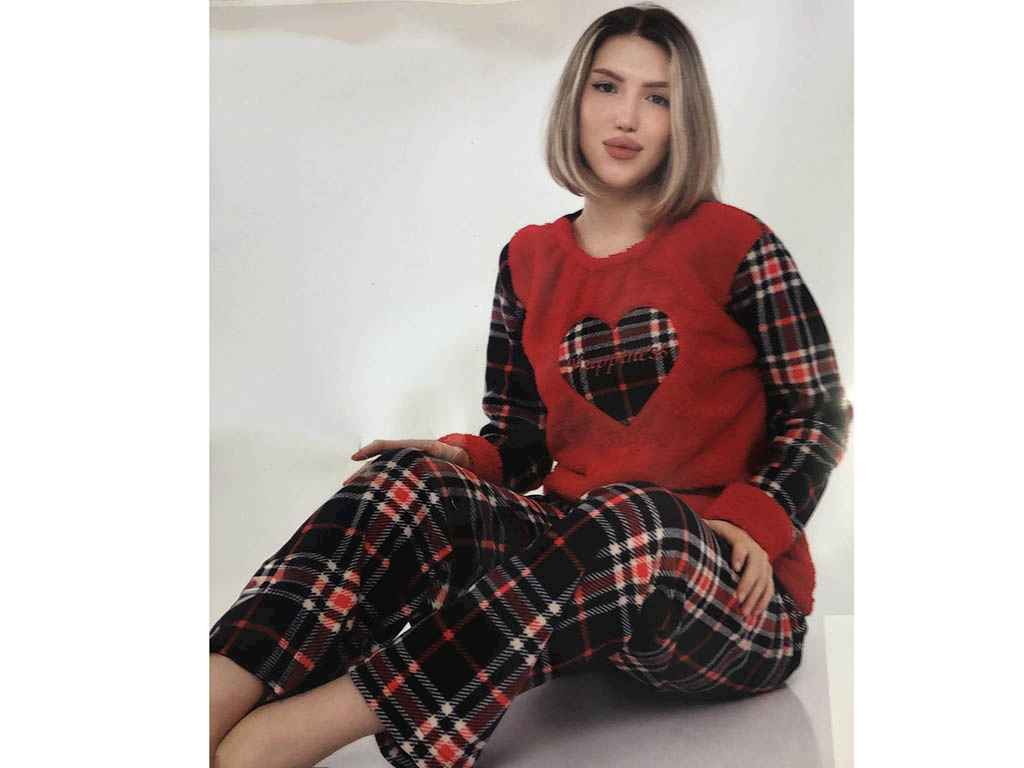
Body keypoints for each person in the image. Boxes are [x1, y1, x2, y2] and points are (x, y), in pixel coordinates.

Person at [209, 4, 853, 767]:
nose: (627, 116)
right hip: (575, 578)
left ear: (686, 120)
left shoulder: (736, 243)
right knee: (402, 483)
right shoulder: (530, 258)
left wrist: (758, 516)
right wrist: (466, 460)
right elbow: (521, 438)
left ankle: (310, 728)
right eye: (607, 87)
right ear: (575, 100)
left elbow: (818, 409)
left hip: (729, 597)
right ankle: (212, 698)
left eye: (657, 97)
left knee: (639, 514)